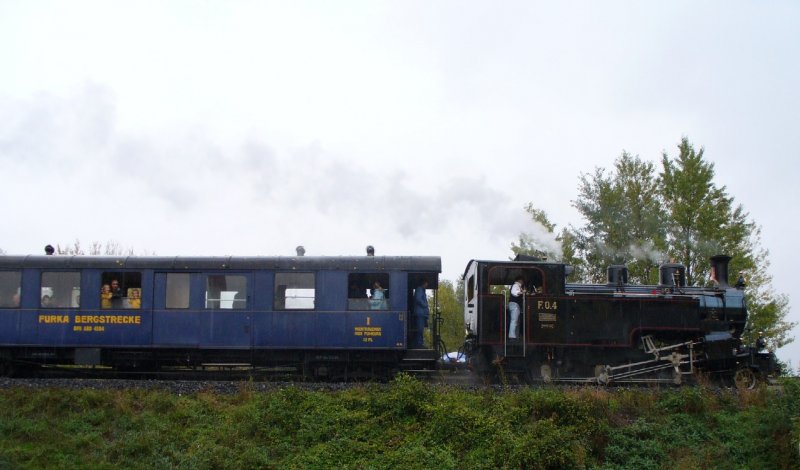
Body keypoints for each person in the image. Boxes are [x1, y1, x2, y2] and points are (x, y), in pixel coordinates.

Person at [413, 280, 429, 348]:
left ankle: (420, 343)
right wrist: (425, 304)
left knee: (421, 329)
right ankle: (419, 344)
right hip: (420, 313)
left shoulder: (421, 290)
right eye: (426, 283)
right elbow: (418, 299)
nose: (427, 285)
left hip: (421, 313)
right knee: (420, 329)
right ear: (424, 283)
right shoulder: (419, 289)